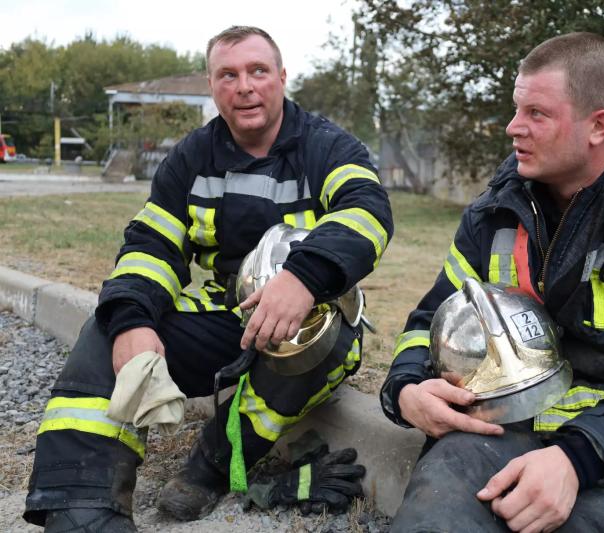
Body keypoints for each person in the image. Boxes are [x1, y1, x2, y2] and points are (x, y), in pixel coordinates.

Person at [24, 25, 393, 531]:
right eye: (229, 75)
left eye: (258, 71)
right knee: (111, 327)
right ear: (212, 86)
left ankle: (208, 469)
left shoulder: (328, 146)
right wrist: (133, 318)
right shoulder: (192, 157)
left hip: (312, 313)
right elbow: (153, 244)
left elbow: (367, 213)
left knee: (322, 342)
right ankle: (83, 505)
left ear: (282, 77)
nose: (245, 86)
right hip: (227, 309)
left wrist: (302, 279)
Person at [381, 32, 604, 532]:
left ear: (598, 126)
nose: (513, 128)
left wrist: (576, 459)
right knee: (433, 515)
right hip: (507, 418)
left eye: (537, 114)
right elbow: (432, 318)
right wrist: (406, 387)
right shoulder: (495, 212)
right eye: (515, 109)